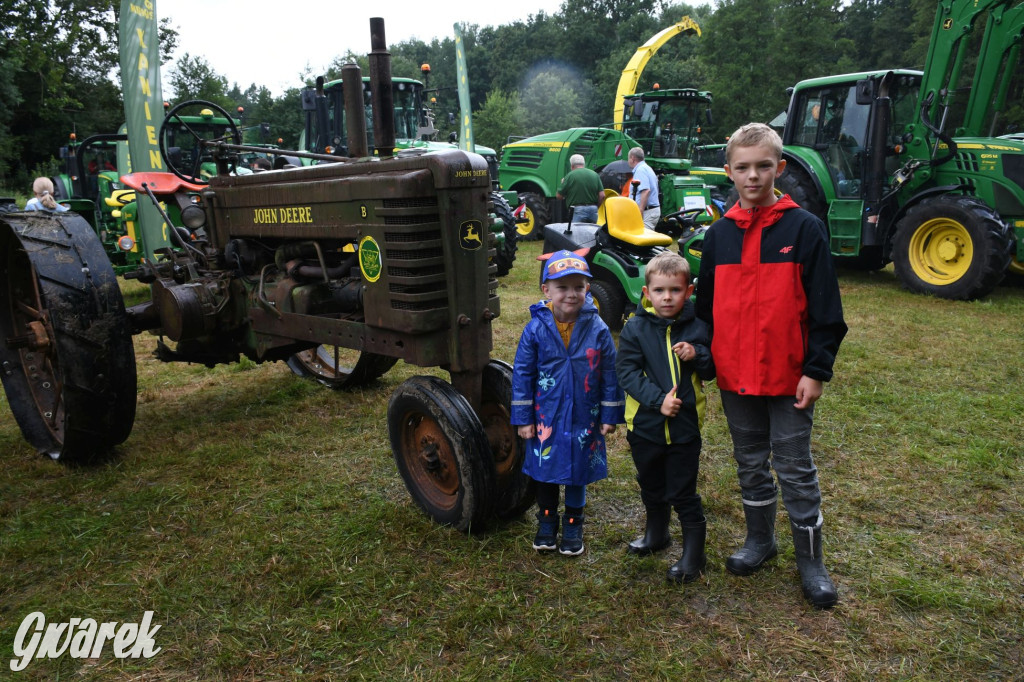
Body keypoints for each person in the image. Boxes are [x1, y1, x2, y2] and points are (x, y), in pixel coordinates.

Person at [695, 122, 847, 609]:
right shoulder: (717, 237)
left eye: (763, 166)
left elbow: (827, 312)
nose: (753, 176)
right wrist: (701, 355)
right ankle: (761, 541)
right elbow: (704, 312)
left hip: (789, 378)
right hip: (736, 378)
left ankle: (811, 562)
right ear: (729, 172)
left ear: (779, 168)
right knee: (749, 462)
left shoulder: (803, 229)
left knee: (795, 466)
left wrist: (816, 370)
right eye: (743, 167)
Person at [511, 249, 624, 556]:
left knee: (578, 468)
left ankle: (573, 522)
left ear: (587, 288)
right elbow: (523, 373)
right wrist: (523, 418)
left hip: (584, 415)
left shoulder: (597, 328)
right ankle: (547, 521)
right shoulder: (536, 328)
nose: (571, 294)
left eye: (579, 286)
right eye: (562, 287)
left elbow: (609, 372)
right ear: (546, 289)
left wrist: (610, 412)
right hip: (546, 416)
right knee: (546, 469)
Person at [616, 251, 715, 583]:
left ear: (689, 291)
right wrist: (657, 401)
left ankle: (694, 556)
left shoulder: (698, 326)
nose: (667, 297)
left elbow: (712, 370)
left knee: (683, 491)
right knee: (650, 483)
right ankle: (656, 534)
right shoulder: (635, 328)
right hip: (644, 426)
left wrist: (697, 353)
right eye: (659, 291)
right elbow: (627, 373)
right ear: (647, 293)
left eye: (675, 290)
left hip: (685, 429)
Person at [556, 154, 604, 223]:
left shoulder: (570, 176)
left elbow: (559, 196)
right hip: (593, 210)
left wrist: (564, 185)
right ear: (584, 164)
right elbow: (602, 195)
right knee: (592, 232)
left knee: (576, 232)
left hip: (577, 210)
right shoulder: (595, 175)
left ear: (572, 166)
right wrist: (596, 207)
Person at [626, 147, 660, 229]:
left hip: (646, 212)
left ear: (632, 158)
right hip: (650, 211)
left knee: (643, 239)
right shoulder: (646, 168)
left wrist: (640, 210)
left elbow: (646, 191)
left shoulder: (640, 170)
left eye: (628, 158)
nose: (628, 161)